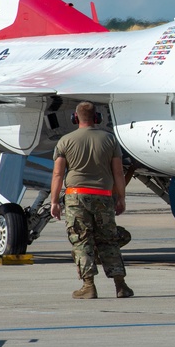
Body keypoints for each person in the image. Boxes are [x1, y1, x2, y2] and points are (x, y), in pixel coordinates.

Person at [50, 101, 133, 299]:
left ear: (75, 118)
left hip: (76, 196)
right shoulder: (110, 140)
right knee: (109, 240)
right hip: (103, 196)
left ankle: (88, 286)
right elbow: (118, 173)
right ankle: (120, 285)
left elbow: (58, 175)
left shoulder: (65, 141)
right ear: (97, 118)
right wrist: (120, 197)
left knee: (81, 240)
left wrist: (54, 201)